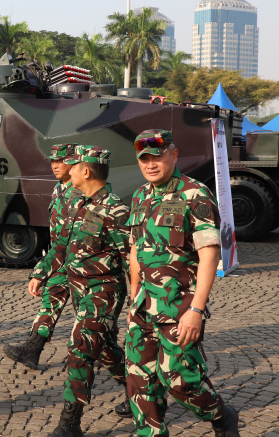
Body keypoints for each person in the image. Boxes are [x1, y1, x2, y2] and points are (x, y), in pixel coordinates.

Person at [125, 129, 240, 437]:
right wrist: (133, 296)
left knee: (179, 379)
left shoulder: (195, 194)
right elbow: (135, 251)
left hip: (179, 307)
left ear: (173, 155)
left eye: (157, 157)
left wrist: (197, 310)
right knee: (139, 380)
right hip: (142, 306)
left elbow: (210, 254)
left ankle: (220, 415)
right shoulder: (140, 196)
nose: (150, 164)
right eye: (144, 159)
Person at [48, 145, 132, 437]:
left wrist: (140, 302)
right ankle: (139, 391)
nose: (68, 170)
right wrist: (41, 274)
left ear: (86, 171)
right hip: (79, 290)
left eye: (74, 166)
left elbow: (132, 258)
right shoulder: (78, 203)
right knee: (106, 350)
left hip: (104, 291)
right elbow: (63, 246)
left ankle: (70, 424)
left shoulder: (116, 209)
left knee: (81, 346)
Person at [4, 143, 79, 370]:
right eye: (53, 161)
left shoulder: (79, 192)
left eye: (61, 161)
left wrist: (41, 271)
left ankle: (99, 353)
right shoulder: (59, 188)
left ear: (74, 163)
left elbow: (67, 239)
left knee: (89, 314)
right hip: (61, 261)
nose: (55, 166)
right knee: (50, 300)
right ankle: (32, 349)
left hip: (80, 262)